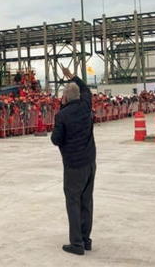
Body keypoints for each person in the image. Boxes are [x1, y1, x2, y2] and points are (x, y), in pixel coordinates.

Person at [51, 66, 96, 256]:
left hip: (73, 166)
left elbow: (56, 139)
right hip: (90, 162)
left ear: (66, 98)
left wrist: (62, 108)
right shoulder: (86, 105)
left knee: (73, 202)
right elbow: (86, 89)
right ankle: (85, 240)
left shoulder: (62, 115)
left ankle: (76, 243)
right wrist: (73, 77)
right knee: (87, 201)